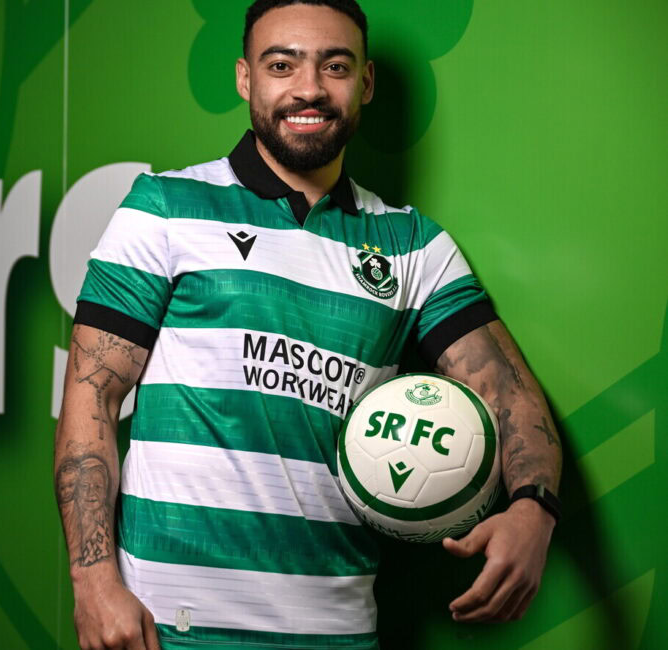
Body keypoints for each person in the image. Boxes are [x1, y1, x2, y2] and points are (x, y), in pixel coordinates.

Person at [52, 1, 563, 648]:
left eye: (335, 65)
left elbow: (508, 391)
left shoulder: (412, 246)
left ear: (366, 83)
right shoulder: (165, 209)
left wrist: (534, 508)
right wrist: (93, 583)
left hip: (335, 630)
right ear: (246, 79)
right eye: (281, 64)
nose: (309, 88)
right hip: (166, 627)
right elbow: (91, 392)